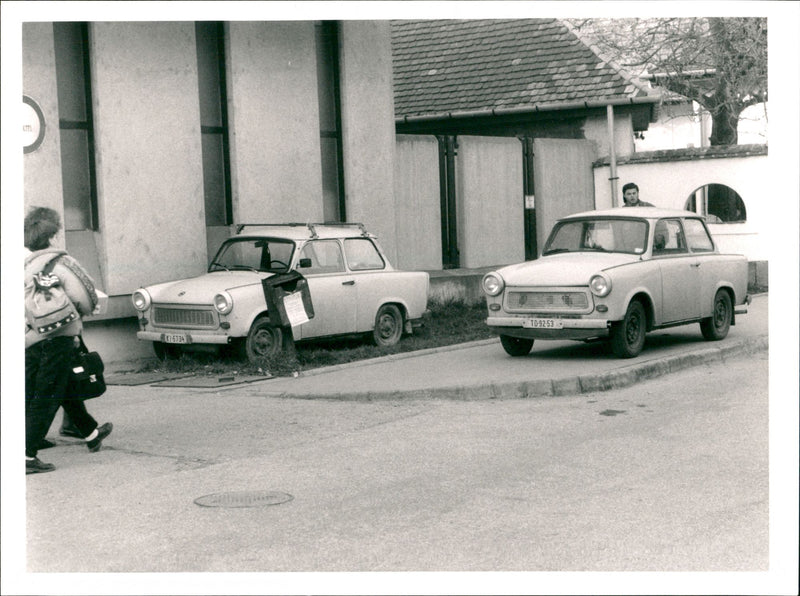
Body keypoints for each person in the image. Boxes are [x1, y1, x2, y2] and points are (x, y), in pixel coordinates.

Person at [25, 206, 113, 474]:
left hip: (29, 338)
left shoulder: (24, 266)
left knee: (47, 387)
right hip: (58, 337)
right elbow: (87, 299)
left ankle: (89, 432)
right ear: (53, 236)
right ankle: (26, 455)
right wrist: (74, 318)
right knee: (48, 394)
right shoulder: (62, 263)